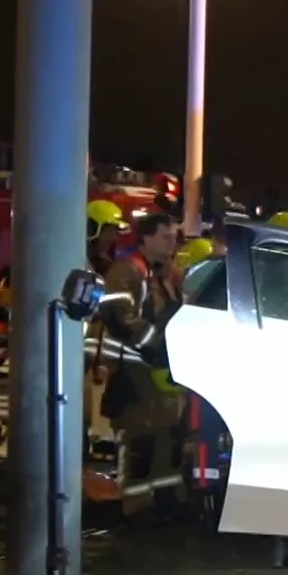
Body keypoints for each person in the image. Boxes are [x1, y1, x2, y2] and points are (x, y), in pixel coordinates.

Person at [91, 213, 186, 506]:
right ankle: (135, 508)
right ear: (146, 238)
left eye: (174, 237)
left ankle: (163, 502)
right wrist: (158, 345)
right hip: (131, 369)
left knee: (167, 436)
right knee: (139, 441)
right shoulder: (128, 272)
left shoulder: (168, 272)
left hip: (158, 371)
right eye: (166, 237)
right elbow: (120, 317)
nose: (173, 242)